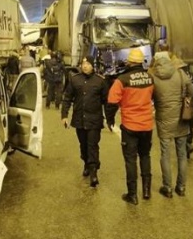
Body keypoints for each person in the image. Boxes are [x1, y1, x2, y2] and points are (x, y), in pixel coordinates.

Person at [106, 48, 154, 205]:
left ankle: (132, 194)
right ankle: (147, 191)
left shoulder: (122, 79)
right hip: (147, 125)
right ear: (141, 62)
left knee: (130, 160)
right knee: (145, 156)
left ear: (129, 62)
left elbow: (112, 102)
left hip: (130, 126)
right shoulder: (149, 78)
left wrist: (110, 120)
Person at [61, 56, 109, 187]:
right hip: (79, 120)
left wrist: (109, 119)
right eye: (83, 64)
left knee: (92, 145)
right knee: (83, 145)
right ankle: (86, 164)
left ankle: (94, 172)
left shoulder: (100, 81)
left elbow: (107, 102)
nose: (85, 66)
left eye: (88, 64)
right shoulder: (75, 80)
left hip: (94, 120)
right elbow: (67, 98)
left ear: (93, 65)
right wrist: (64, 115)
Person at [151, 57, 193, 198]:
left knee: (165, 154)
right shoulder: (181, 74)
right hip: (181, 117)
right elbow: (192, 92)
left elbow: (149, 96)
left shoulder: (153, 76)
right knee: (181, 154)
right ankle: (181, 187)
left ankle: (167, 187)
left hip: (163, 117)